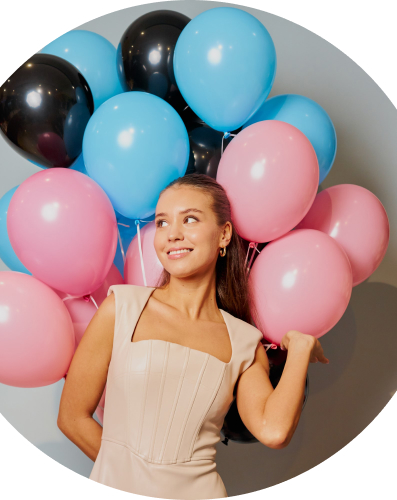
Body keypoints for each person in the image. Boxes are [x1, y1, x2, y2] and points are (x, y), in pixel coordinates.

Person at [57, 173, 329, 499]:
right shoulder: (122, 308)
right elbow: (72, 418)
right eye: (162, 222)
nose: (172, 234)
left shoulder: (244, 342)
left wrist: (300, 348)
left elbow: (274, 431)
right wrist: (132, 481)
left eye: (189, 219)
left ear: (224, 234)